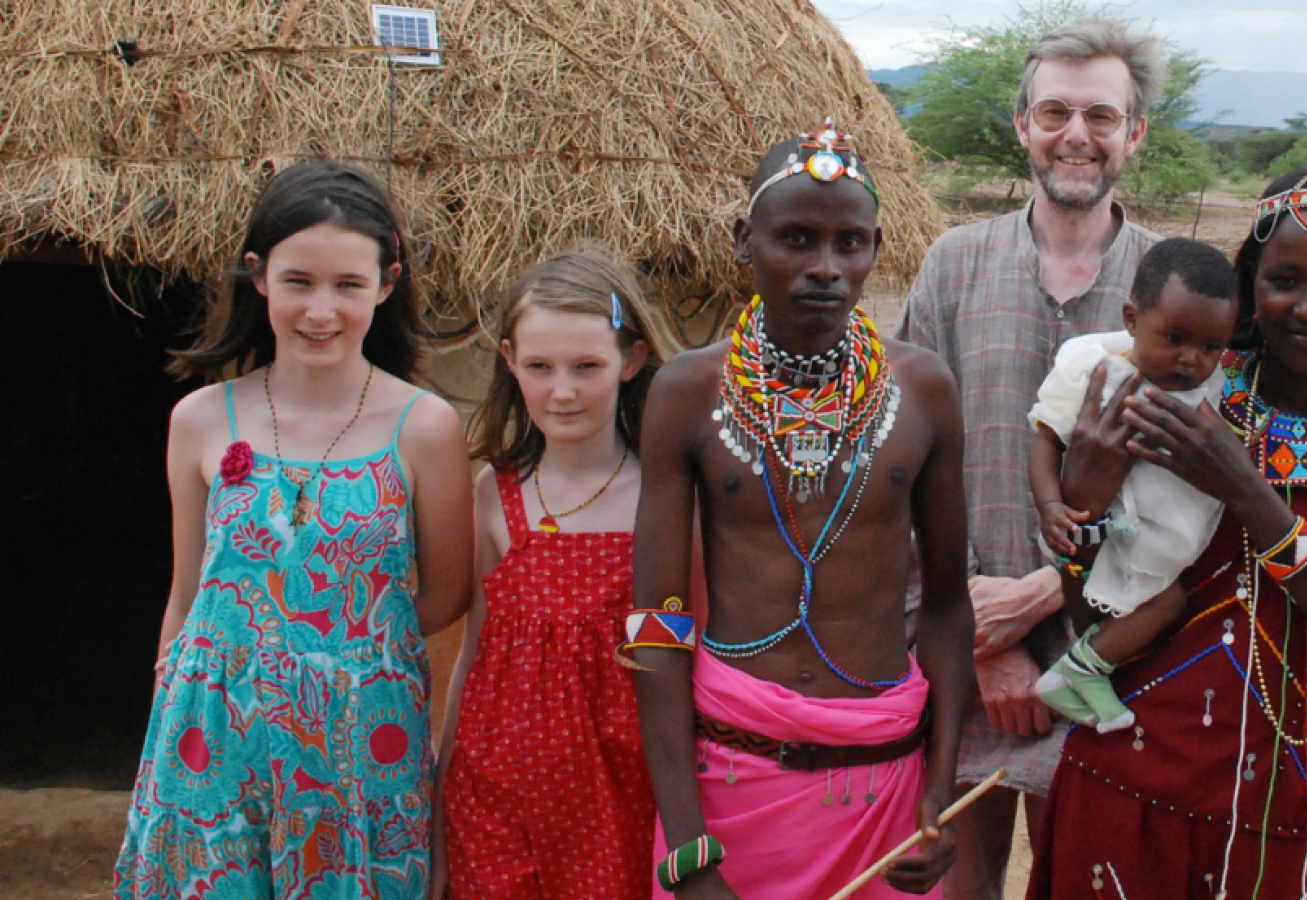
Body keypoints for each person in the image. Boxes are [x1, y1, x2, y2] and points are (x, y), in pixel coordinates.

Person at [1026, 148, 1307, 899]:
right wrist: (1085, 500)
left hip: (1285, 808)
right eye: (1282, 280)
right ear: (1247, 289)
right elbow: (1091, 604)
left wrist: (1251, 496)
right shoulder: (1174, 397)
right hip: (1122, 783)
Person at [626, 120, 972, 900]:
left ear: (877, 247)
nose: (826, 268)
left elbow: (949, 611)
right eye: (796, 239)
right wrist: (686, 848)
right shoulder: (687, 391)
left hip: (881, 788)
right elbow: (656, 623)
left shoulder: (923, 391)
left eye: (850, 243)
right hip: (727, 784)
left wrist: (939, 795)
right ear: (745, 239)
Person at [115, 160, 474, 898]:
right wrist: (176, 717)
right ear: (259, 276)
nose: (321, 310)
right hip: (210, 738)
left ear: (386, 281)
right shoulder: (201, 421)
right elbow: (189, 596)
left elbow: (445, 594)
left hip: (359, 745)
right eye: (298, 282)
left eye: (348, 285)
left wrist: (338, 657)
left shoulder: (425, 428)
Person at [894, 17, 1166, 896]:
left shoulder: (1173, 286)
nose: (1075, 135)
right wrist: (979, 641)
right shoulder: (955, 264)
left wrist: (1051, 590)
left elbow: (1189, 495)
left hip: (1114, 665)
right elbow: (904, 463)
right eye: (1054, 111)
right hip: (960, 657)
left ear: (1135, 133)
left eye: (1100, 115)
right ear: (1021, 124)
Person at [435, 244, 667, 899]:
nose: (561, 390)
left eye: (586, 366)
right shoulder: (492, 493)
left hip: (623, 793)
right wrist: (442, 777)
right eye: (540, 366)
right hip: (494, 789)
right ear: (510, 362)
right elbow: (474, 651)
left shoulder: (664, 497)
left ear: (631, 359)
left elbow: (682, 647)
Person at [1027, 238, 1237, 733]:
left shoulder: (1216, 387)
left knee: (1167, 601)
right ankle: (1081, 669)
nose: (1191, 360)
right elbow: (1045, 440)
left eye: (1210, 347)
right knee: (1165, 604)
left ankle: (1081, 672)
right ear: (1131, 318)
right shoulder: (1092, 366)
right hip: (1101, 526)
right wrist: (1050, 505)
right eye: (1175, 338)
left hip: (1158, 528)